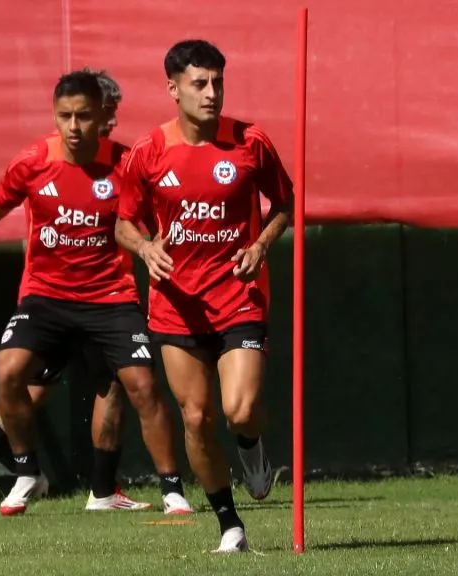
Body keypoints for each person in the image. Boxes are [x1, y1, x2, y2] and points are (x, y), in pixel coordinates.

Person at [0, 70, 192, 516]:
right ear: (54, 116)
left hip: (110, 297)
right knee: (11, 373)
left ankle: (168, 491)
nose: (75, 127)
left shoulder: (126, 164)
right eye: (65, 116)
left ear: (104, 116)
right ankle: (26, 471)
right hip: (46, 296)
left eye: (84, 116)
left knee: (136, 384)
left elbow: (156, 220)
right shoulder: (32, 162)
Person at [115, 39, 294, 552]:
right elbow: (123, 224)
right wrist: (146, 246)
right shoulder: (148, 152)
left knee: (238, 411)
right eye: (199, 83)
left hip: (237, 291)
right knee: (195, 416)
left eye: (218, 82)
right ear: (173, 88)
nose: (211, 93)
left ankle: (252, 446)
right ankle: (230, 526)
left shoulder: (251, 141)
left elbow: (285, 202)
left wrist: (261, 244)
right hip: (175, 301)